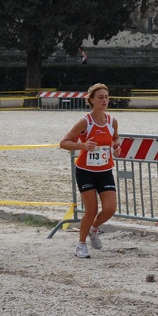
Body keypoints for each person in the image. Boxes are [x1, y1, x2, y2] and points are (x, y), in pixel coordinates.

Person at [59, 83, 121, 258]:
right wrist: (82, 145)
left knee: (110, 208)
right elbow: (63, 142)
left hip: (105, 170)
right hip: (85, 170)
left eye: (106, 97)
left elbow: (115, 139)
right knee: (91, 209)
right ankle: (80, 245)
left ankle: (94, 229)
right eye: (100, 97)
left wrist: (116, 147)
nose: (104, 100)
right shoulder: (85, 121)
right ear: (91, 100)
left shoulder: (112, 121)